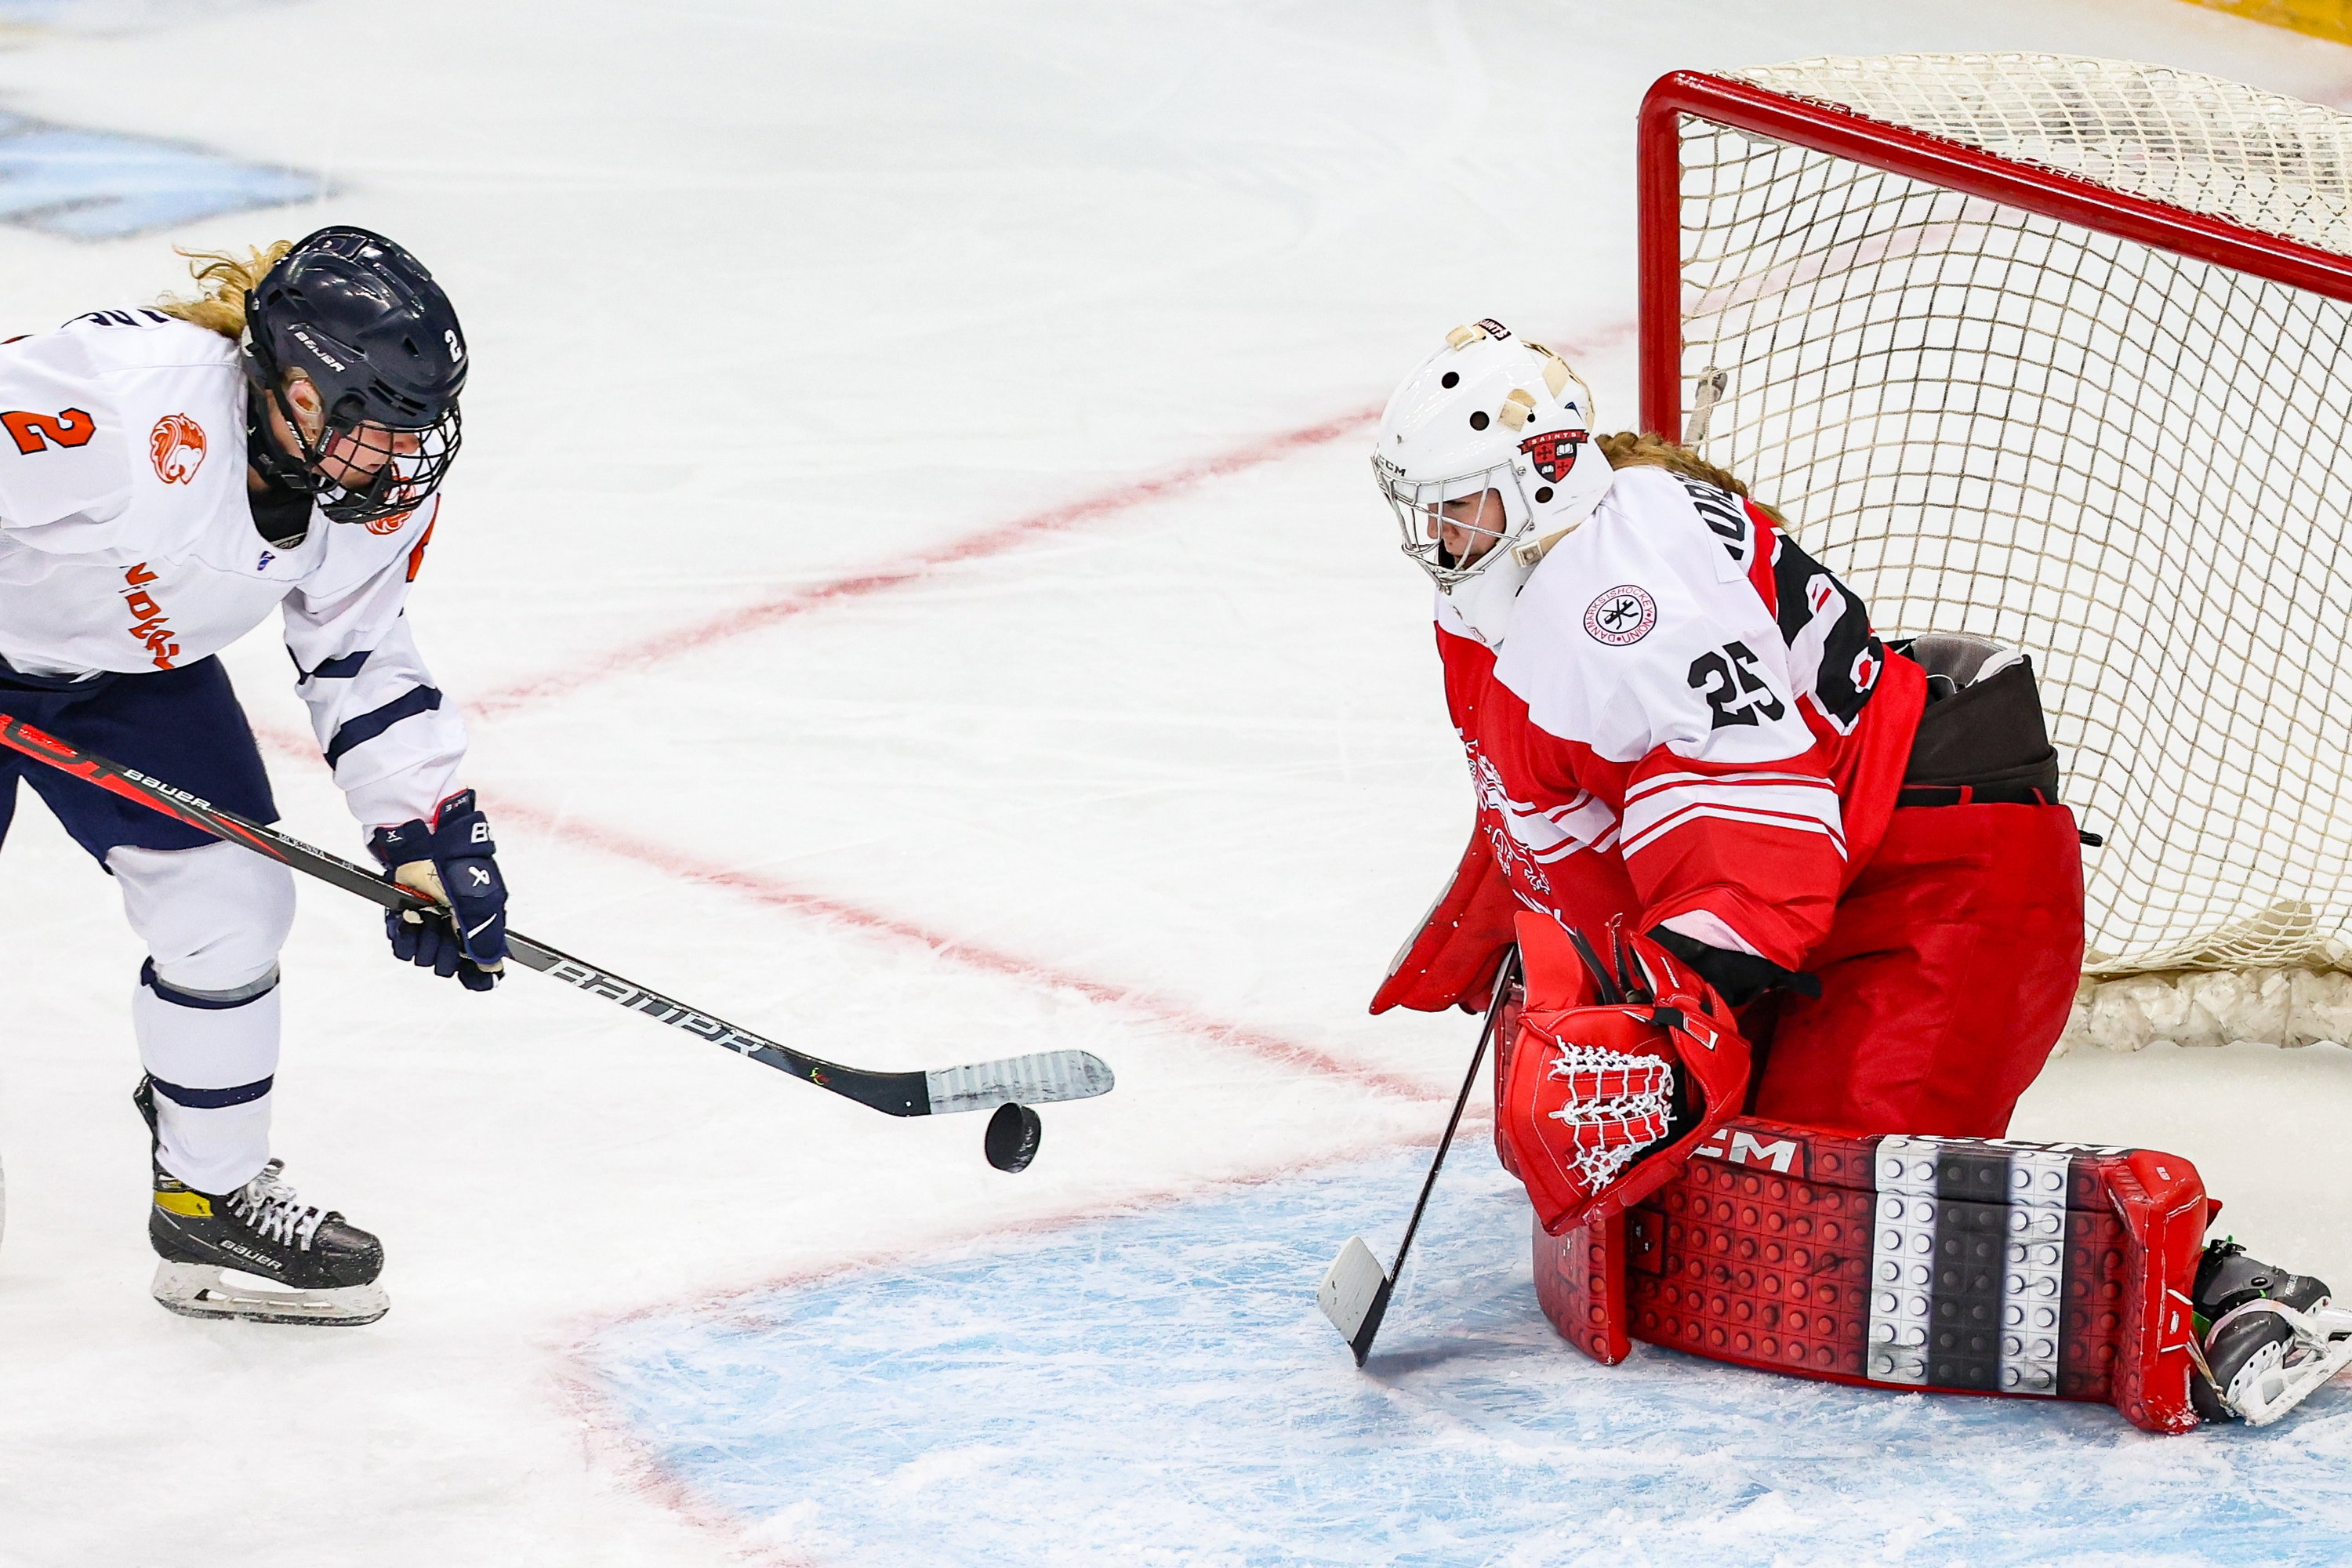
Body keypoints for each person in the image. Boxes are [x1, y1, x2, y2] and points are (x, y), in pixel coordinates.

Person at [1364, 318, 2337, 1422]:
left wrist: (1646, 1026)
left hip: (1943, 882)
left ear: (1543, 477)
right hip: (1835, 866)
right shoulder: (1512, 585)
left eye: (1461, 501)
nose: (1438, 533)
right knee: (1703, 1194)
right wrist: (1545, 956)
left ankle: (2223, 1290)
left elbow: (1764, 858)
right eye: (1428, 505)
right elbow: (1558, 802)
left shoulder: (1627, 607)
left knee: (1828, 1225)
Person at [0, 227, 509, 1326]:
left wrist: (420, 835)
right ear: (291, 384)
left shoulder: (368, 487)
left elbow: (359, 653)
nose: (393, 460)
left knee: (233, 908)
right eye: (370, 426)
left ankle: (207, 1196)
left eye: (412, 432)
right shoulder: (122, 404)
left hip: (126, 673)